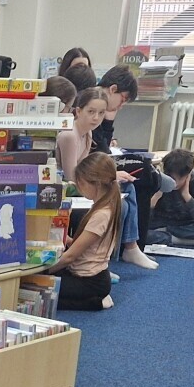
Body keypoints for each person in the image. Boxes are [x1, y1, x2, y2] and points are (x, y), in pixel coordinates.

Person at [57, 90, 156, 271]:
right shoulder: (69, 135)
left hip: (80, 184)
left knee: (128, 186)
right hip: (67, 188)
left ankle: (127, 249)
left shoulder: (88, 133)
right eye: (91, 112)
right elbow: (73, 176)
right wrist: (109, 177)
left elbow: (86, 169)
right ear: (78, 111)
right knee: (119, 199)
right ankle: (121, 252)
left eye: (101, 113)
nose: (96, 118)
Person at [94, 65, 163, 248]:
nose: (121, 105)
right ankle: (135, 246)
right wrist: (108, 121)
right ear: (113, 89)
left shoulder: (102, 106)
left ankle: (137, 244)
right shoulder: (93, 105)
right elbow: (100, 151)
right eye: (122, 99)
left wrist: (109, 121)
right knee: (145, 175)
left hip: (103, 160)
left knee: (146, 171)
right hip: (95, 167)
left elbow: (103, 146)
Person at [49, 152, 123, 312]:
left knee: (38, 290)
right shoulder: (104, 206)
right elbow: (85, 246)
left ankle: (96, 302)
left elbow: (70, 257)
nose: (79, 188)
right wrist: (65, 238)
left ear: (96, 184)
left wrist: (42, 271)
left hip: (90, 282)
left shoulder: (101, 214)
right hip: (90, 276)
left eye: (81, 183)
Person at [149, 148, 194, 246]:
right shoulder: (157, 179)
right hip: (159, 222)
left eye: (180, 179)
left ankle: (165, 234)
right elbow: (142, 218)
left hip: (185, 224)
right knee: (137, 232)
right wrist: (155, 198)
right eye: (171, 178)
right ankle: (177, 239)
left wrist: (187, 196)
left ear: (188, 175)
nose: (175, 183)